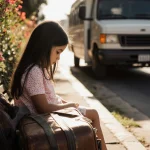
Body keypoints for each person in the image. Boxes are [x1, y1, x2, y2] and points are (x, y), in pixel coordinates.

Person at [11, 21, 107, 150]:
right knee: (93, 115)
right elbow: (43, 107)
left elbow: (50, 97)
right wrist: (69, 106)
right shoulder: (34, 71)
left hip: (50, 114)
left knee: (92, 115)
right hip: (44, 118)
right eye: (58, 52)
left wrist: (66, 103)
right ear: (44, 46)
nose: (58, 58)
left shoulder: (39, 68)